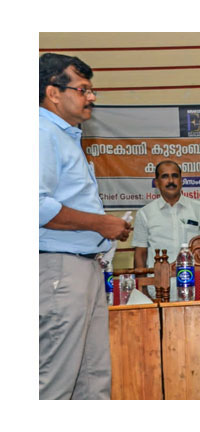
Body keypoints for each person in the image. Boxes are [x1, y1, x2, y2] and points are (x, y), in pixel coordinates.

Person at [39, 53, 131, 399]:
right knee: (55, 385)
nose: (91, 97)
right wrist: (101, 223)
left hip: (83, 269)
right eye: (83, 89)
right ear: (54, 92)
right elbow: (34, 205)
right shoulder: (40, 132)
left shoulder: (66, 136)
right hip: (58, 268)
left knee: (91, 384)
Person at [132, 160, 200, 300]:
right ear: (157, 182)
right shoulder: (145, 213)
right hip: (157, 289)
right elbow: (140, 254)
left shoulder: (199, 209)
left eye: (175, 176)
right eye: (165, 176)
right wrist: (143, 290)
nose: (171, 181)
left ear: (181, 181)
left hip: (195, 287)